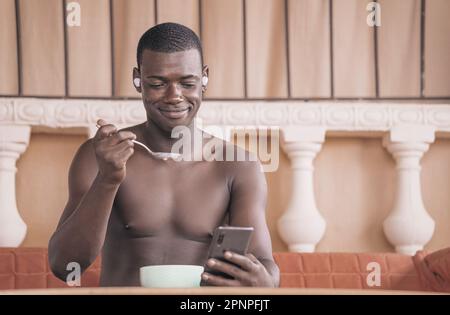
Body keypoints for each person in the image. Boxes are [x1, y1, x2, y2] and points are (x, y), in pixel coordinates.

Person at [48, 22, 279, 287]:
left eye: (187, 82)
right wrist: (108, 179)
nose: (174, 96)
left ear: (204, 78)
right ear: (138, 80)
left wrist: (264, 281)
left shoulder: (238, 165)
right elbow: (65, 267)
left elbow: (264, 263)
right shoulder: (99, 155)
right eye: (157, 83)